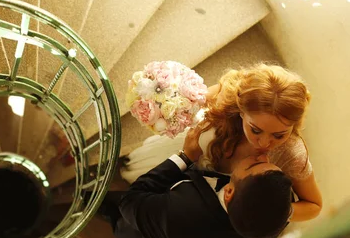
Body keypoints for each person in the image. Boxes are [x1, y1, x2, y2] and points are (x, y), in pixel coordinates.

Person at [121, 63, 322, 222]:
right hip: (183, 157)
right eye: (255, 130)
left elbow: (314, 205)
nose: (264, 142)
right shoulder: (223, 98)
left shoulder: (291, 154)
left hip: (209, 203)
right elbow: (186, 102)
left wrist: (271, 212)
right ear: (241, 111)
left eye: (279, 135)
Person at [106, 129, 294, 238]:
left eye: (256, 164)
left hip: (138, 237)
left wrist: (184, 157)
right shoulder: (275, 219)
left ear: (228, 192)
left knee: (112, 207)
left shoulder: (179, 214)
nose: (264, 155)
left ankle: (87, 203)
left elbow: (129, 201)